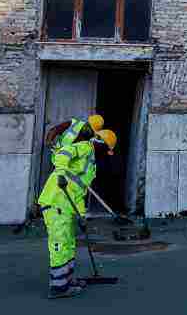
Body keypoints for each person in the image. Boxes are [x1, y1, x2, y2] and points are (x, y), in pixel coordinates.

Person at [37, 114, 117, 299]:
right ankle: (58, 287)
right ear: (102, 144)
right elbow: (63, 155)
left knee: (69, 242)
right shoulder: (85, 147)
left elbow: (80, 192)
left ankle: (67, 279)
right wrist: (62, 174)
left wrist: (82, 215)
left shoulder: (91, 165)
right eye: (106, 151)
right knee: (59, 243)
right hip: (56, 200)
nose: (106, 155)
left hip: (68, 205)